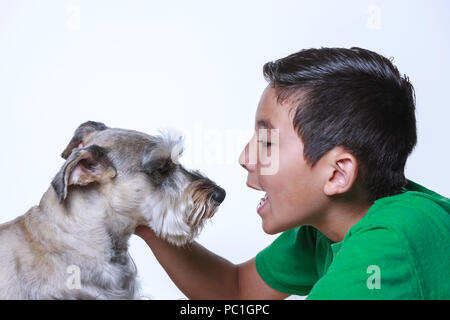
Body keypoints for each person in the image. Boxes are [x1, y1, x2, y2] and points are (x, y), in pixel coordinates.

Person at [134, 47, 450, 299]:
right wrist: (149, 225)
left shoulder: (390, 246)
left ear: (338, 174)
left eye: (267, 141)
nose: (245, 157)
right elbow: (238, 290)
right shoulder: (326, 225)